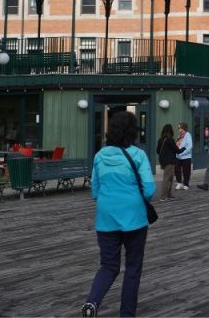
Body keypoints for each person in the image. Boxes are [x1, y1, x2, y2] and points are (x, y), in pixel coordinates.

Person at [80, 111, 155, 317]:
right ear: (132, 132)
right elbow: (149, 190)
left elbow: (95, 190)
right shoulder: (139, 155)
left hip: (106, 218)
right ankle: (126, 314)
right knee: (132, 268)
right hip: (134, 219)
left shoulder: (99, 156)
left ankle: (92, 302)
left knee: (108, 266)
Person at [155, 124, 179, 201]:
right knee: (167, 178)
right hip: (170, 161)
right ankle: (163, 196)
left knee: (170, 178)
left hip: (163, 161)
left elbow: (158, 151)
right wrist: (183, 149)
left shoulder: (160, 139)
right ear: (170, 130)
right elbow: (176, 150)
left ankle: (169, 194)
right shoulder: (170, 139)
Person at [174, 123, 193, 190]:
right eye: (179, 128)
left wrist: (183, 153)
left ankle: (186, 184)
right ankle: (179, 183)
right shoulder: (179, 136)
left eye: (180, 128)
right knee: (177, 170)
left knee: (186, 171)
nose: (179, 130)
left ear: (184, 128)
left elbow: (190, 146)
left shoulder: (188, 135)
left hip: (186, 157)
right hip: (178, 156)